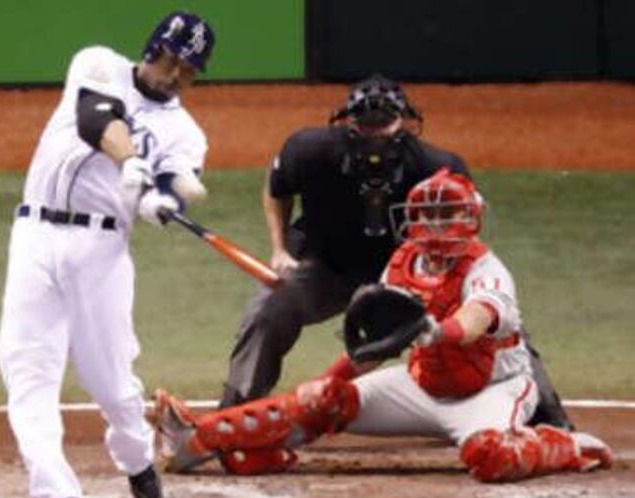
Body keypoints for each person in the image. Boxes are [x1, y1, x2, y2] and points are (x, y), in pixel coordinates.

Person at [156, 170, 613, 480]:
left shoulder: (486, 269)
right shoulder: (403, 263)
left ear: (469, 218)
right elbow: (375, 343)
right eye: (427, 214)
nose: (435, 224)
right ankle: (197, 436)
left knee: (489, 457)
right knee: (323, 400)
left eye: (446, 213)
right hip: (421, 387)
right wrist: (327, 380)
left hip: (491, 390)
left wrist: (437, 330)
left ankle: (566, 446)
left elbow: (477, 320)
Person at [219, 73, 575, 433]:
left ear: (404, 121)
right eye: (365, 122)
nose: (375, 134)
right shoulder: (308, 150)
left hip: (407, 275)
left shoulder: (436, 166)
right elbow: (276, 187)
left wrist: (456, 285)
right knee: (269, 309)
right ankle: (235, 412)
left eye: (385, 123)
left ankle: (549, 416)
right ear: (347, 121)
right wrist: (279, 250)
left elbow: (463, 235)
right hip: (323, 265)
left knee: (499, 318)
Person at [0, 11, 214, 498]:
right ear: (153, 47)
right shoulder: (97, 63)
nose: (177, 75)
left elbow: (176, 182)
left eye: (191, 70)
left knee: (112, 382)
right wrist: (130, 163)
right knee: (28, 370)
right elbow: (97, 120)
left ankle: (136, 456)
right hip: (34, 236)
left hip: (101, 253)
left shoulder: (187, 134)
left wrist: (157, 202)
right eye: (172, 61)